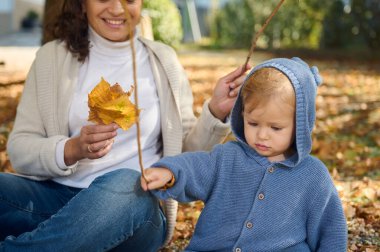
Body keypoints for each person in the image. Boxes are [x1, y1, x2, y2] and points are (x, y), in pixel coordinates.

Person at [0, 0, 249, 251]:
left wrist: (215, 111)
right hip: (55, 200)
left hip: (135, 207)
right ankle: (66, 239)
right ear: (82, 4)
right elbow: (20, 149)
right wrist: (71, 149)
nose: (118, 9)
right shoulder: (51, 58)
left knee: (127, 183)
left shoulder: (164, 61)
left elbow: (186, 155)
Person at [141, 57, 348, 251]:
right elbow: (195, 167)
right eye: (253, 123)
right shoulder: (228, 157)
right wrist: (171, 174)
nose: (262, 135)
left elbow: (331, 232)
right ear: (242, 114)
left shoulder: (313, 175)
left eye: (276, 128)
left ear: (300, 125)